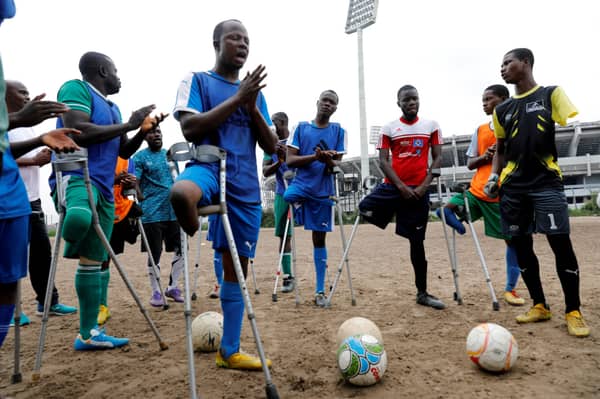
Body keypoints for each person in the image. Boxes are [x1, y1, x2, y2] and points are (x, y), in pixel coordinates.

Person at [170, 19, 277, 370]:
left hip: (244, 180)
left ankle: (229, 350)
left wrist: (251, 105)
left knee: (237, 269)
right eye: (234, 38)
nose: (242, 44)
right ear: (216, 43)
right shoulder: (198, 80)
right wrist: (237, 98)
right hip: (208, 165)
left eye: (247, 39)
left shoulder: (254, 93)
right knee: (182, 195)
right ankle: (193, 228)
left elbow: (271, 145)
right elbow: (190, 127)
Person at [50, 51, 164, 350]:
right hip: (75, 176)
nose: (118, 76)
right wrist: (129, 124)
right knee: (78, 219)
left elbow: (123, 151)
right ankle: (71, 234)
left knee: (93, 261)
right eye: (115, 70)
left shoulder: (113, 108)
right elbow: (79, 131)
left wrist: (141, 131)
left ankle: (87, 334)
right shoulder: (77, 88)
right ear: (102, 70)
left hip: (102, 189)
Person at [485, 48, 590, 337]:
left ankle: (573, 310)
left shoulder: (551, 94)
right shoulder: (501, 110)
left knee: (561, 245)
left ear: (526, 63)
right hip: (513, 187)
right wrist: (494, 175)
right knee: (520, 245)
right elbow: (501, 149)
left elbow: (567, 125)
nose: (503, 68)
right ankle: (539, 305)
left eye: (508, 62)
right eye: (501, 64)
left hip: (546, 183)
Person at [0, 0, 80, 351]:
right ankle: (19, 310)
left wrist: (42, 143)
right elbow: (11, 150)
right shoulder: (14, 125)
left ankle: (42, 300)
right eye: (21, 93)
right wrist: (32, 150)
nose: (27, 97)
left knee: (30, 260)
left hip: (21, 199)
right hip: (13, 197)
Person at [358, 85, 446, 310]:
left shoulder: (431, 126)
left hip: (419, 190)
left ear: (419, 100)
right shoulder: (389, 128)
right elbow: (383, 161)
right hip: (394, 188)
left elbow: (437, 158)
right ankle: (395, 218)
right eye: (406, 100)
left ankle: (422, 292)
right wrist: (401, 187)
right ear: (399, 103)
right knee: (364, 207)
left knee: (417, 243)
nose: (411, 103)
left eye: (414, 98)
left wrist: (424, 186)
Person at [437, 84, 525, 306]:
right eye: (482, 100)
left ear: (504, 99)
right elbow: (469, 163)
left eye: (489, 99)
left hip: (504, 196)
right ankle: (461, 225)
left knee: (512, 243)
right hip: (477, 191)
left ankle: (510, 289)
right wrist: (485, 156)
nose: (484, 103)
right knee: (444, 210)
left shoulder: (518, 124)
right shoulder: (481, 130)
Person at [6, 80, 78, 325]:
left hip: (32, 199)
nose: (27, 96)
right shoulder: (4, 125)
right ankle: (13, 309)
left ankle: (48, 301)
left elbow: (32, 154)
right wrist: (34, 159)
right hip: (9, 202)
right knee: (11, 257)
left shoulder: (26, 128)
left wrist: (45, 154)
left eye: (28, 91)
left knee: (41, 254)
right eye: (21, 92)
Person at [283, 91, 347, 307]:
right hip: (302, 186)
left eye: (332, 102)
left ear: (336, 108)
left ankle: (319, 291)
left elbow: (337, 165)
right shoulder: (301, 128)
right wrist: (315, 157)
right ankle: (303, 213)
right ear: (317, 103)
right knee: (288, 195)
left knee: (319, 240)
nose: (327, 104)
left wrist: (328, 160)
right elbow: (290, 160)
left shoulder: (339, 131)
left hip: (323, 189)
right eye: (325, 100)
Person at [133, 125, 186, 307]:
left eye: (159, 131)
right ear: (145, 136)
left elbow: (176, 178)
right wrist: (138, 195)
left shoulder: (169, 155)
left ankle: (173, 286)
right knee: (154, 253)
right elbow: (135, 182)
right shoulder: (139, 157)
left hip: (173, 211)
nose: (156, 134)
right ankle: (156, 292)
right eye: (152, 132)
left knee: (182, 249)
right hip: (152, 213)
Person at [97, 156, 142, 325]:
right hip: (100, 208)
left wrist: (132, 185)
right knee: (99, 259)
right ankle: (101, 306)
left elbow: (138, 195)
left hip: (121, 211)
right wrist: (114, 179)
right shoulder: (101, 153)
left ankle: (103, 305)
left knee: (107, 259)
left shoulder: (129, 160)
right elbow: (92, 180)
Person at [263, 111, 294, 293]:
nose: (271, 127)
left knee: (317, 231)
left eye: (274, 123)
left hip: (300, 190)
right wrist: (279, 161)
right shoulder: (270, 145)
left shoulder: (296, 140)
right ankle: (288, 276)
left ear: (283, 122)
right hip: (282, 193)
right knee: (284, 236)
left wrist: (288, 158)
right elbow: (265, 171)